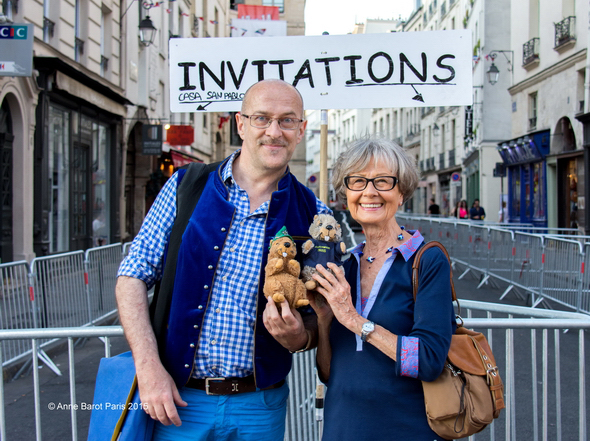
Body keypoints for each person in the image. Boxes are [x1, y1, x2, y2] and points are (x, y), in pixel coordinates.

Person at [115, 79, 329, 440]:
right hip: (177, 401)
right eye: (261, 118)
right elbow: (132, 276)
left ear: (301, 129)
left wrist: (299, 338)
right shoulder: (187, 185)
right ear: (241, 124)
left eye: (287, 120)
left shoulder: (314, 215)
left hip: (259, 408)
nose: (274, 131)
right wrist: (149, 368)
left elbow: (318, 318)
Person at [307, 136, 456, 440]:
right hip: (341, 428)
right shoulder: (344, 267)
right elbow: (328, 373)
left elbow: (428, 360)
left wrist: (353, 319)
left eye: (383, 181)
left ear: (402, 193)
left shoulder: (427, 260)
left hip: (406, 429)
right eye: (357, 181)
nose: (369, 192)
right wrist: (324, 321)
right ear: (346, 193)